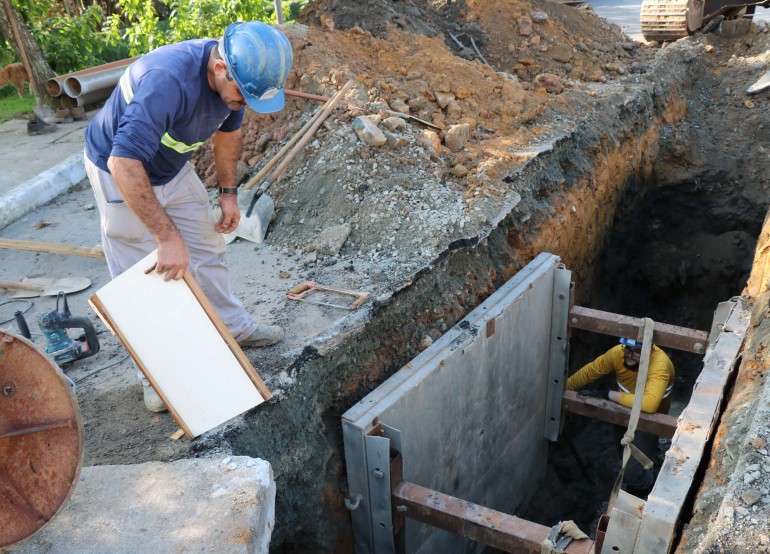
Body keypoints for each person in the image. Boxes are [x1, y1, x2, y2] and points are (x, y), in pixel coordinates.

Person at [84, 21, 293, 412]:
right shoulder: (168, 82)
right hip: (120, 171)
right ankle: (156, 378)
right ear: (218, 68)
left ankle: (233, 327)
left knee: (207, 245)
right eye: (242, 96)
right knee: (145, 273)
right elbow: (123, 162)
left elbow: (228, 134)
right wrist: (165, 237)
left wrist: (228, 194)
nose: (243, 104)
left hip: (172, 168)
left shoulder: (234, 86)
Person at [566, 337, 675, 496]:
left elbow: (649, 405)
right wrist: (564, 388)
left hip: (648, 421)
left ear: (650, 351)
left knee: (631, 473)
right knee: (625, 457)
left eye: (637, 351)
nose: (630, 355)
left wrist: (608, 394)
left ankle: (644, 492)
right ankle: (651, 462)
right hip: (623, 413)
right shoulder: (618, 353)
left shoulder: (659, 365)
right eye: (628, 349)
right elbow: (590, 372)